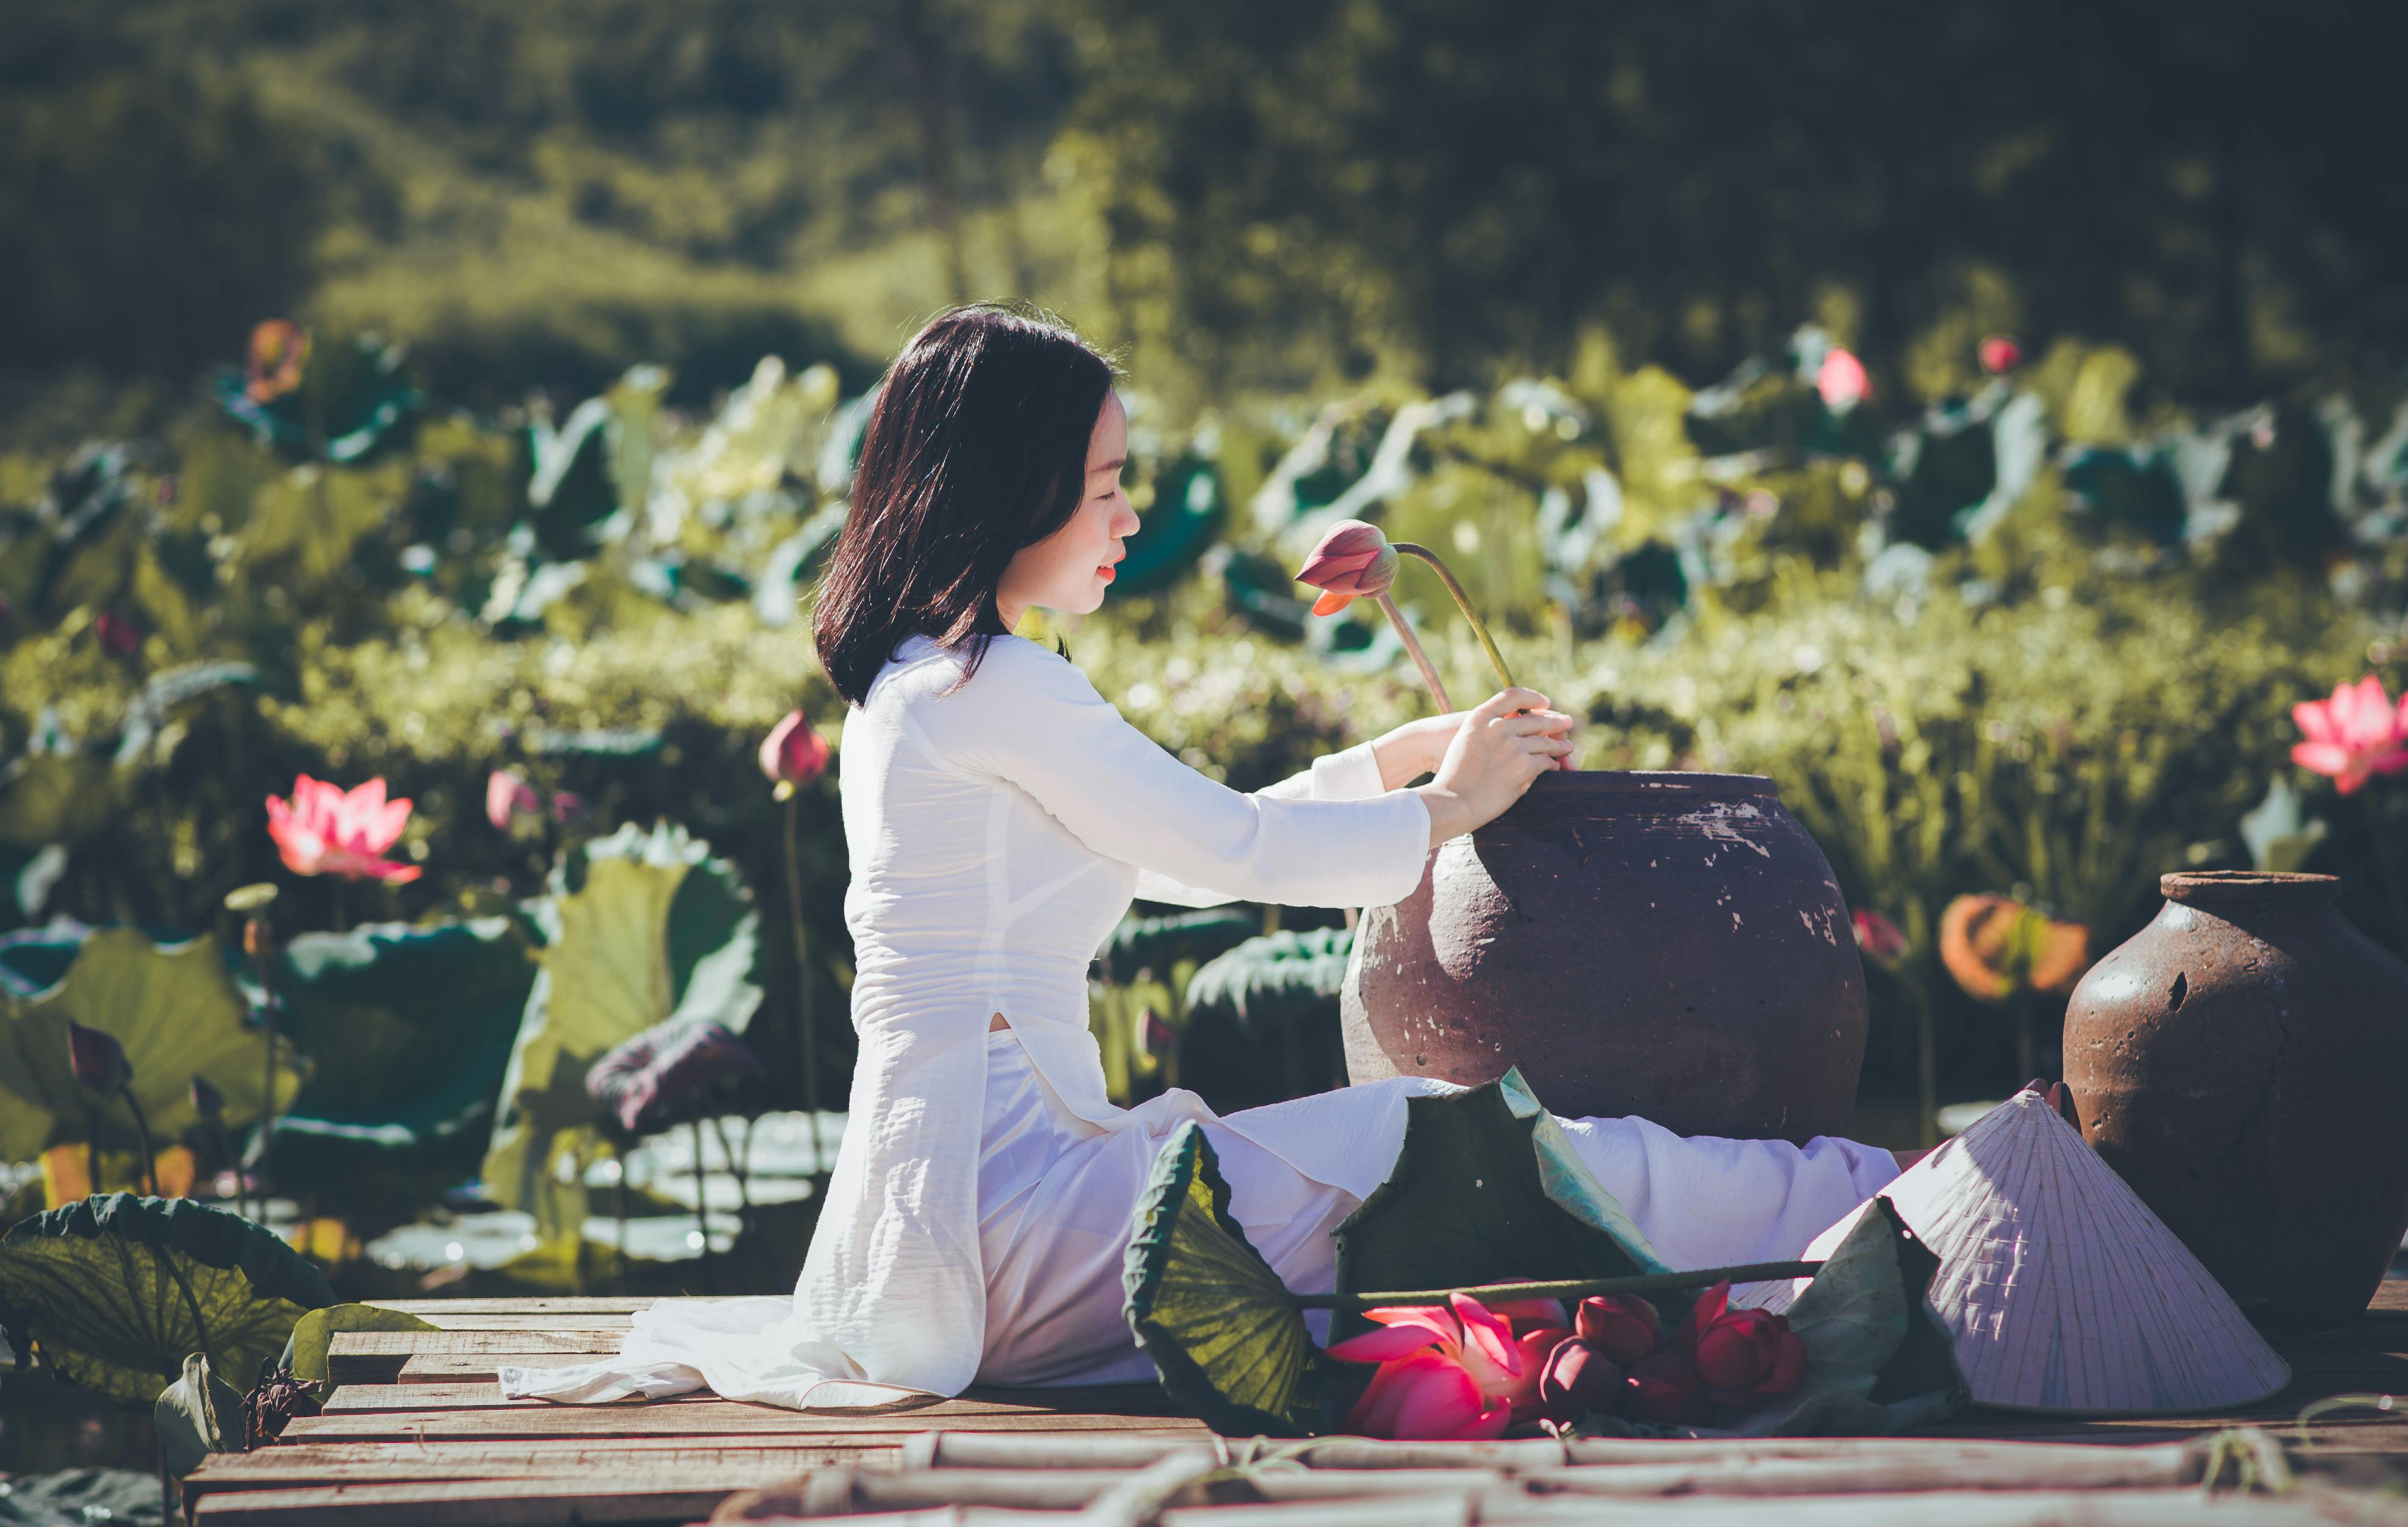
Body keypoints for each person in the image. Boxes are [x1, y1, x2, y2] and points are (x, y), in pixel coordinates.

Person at [502, 305, 1896, 1412]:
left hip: (954, 1225)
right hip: (1019, 1223)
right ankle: (1866, 1205)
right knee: (1442, 1131)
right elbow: (1225, 846)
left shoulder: (919, 684)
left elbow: (1172, 856)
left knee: (1426, 1146)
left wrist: (1398, 758)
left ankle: (1835, 1208)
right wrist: (1450, 811)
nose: (1122, 517)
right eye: (1103, 485)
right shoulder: (995, 685)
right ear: (1013, 485)